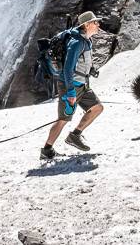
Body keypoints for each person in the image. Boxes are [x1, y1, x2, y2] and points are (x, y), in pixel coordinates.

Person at [40, 11, 104, 160]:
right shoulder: (76, 43)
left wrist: (91, 70)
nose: (98, 25)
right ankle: (47, 150)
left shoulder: (86, 40)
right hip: (70, 85)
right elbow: (68, 69)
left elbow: (82, 61)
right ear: (87, 25)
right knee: (63, 119)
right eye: (95, 22)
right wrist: (70, 92)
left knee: (97, 108)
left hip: (82, 84)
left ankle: (75, 136)